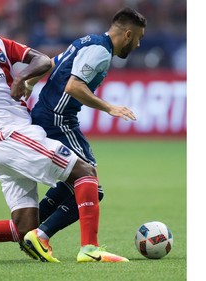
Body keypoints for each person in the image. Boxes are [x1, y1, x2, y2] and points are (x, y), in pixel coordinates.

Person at [0, 11, 131, 264]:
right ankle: (89, 248)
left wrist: (22, 77)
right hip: (12, 135)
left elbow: (42, 61)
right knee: (85, 172)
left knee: (24, 229)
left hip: (4, 146)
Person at [23, 7, 146, 255]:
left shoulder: (87, 41)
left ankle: (29, 230)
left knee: (75, 183)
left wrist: (30, 81)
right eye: (139, 39)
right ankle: (46, 237)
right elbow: (74, 86)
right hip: (57, 120)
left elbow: (50, 62)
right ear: (129, 34)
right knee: (92, 187)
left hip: (52, 116)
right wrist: (109, 107)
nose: (138, 45)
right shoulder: (100, 51)